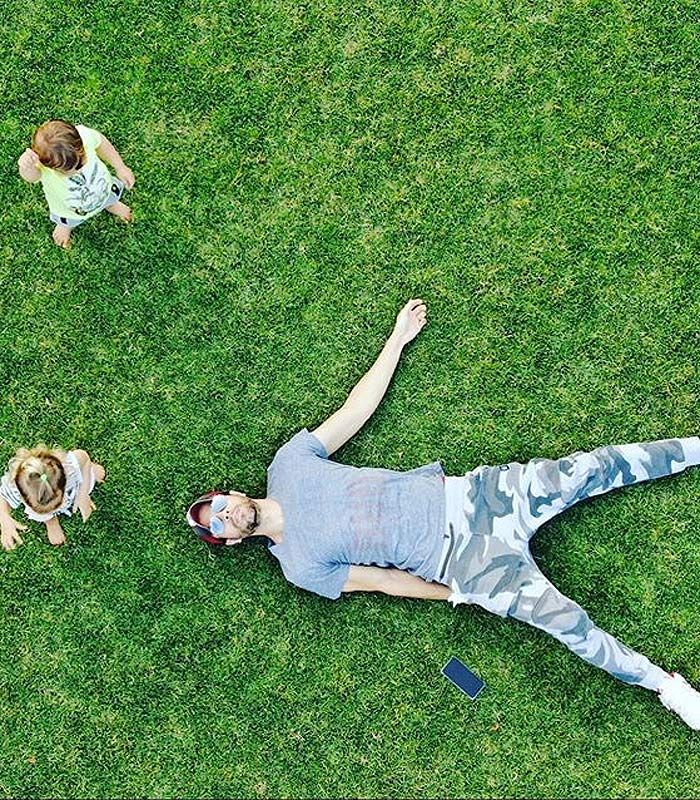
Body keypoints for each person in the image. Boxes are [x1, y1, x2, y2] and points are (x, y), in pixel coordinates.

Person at [187, 299, 700, 729]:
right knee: (568, 624)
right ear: (230, 540)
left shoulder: (289, 464)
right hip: (463, 562)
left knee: (589, 468)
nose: (224, 514)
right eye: (215, 524)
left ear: (230, 493)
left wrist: (397, 339)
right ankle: (666, 687)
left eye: (219, 505)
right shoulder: (298, 567)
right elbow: (382, 582)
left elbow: (352, 412)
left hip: (473, 497)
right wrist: (457, 592)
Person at [17, 120, 135, 249]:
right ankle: (65, 226)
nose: (76, 171)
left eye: (81, 162)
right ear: (48, 165)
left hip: (104, 190)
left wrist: (120, 167)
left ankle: (111, 204)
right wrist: (26, 167)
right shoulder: (42, 167)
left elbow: (101, 143)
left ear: (81, 145)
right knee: (68, 220)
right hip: (69, 211)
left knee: (110, 197)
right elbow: (32, 178)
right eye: (67, 170)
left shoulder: (85, 136)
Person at [0, 445, 105, 548]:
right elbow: (2, 496)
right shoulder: (15, 486)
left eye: (58, 503)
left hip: (73, 488)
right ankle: (51, 521)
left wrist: (83, 494)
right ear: (22, 496)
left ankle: (91, 471)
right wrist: (4, 518)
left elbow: (84, 457)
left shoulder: (69, 466)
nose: (57, 508)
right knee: (45, 515)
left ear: (64, 480)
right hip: (53, 504)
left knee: (85, 476)